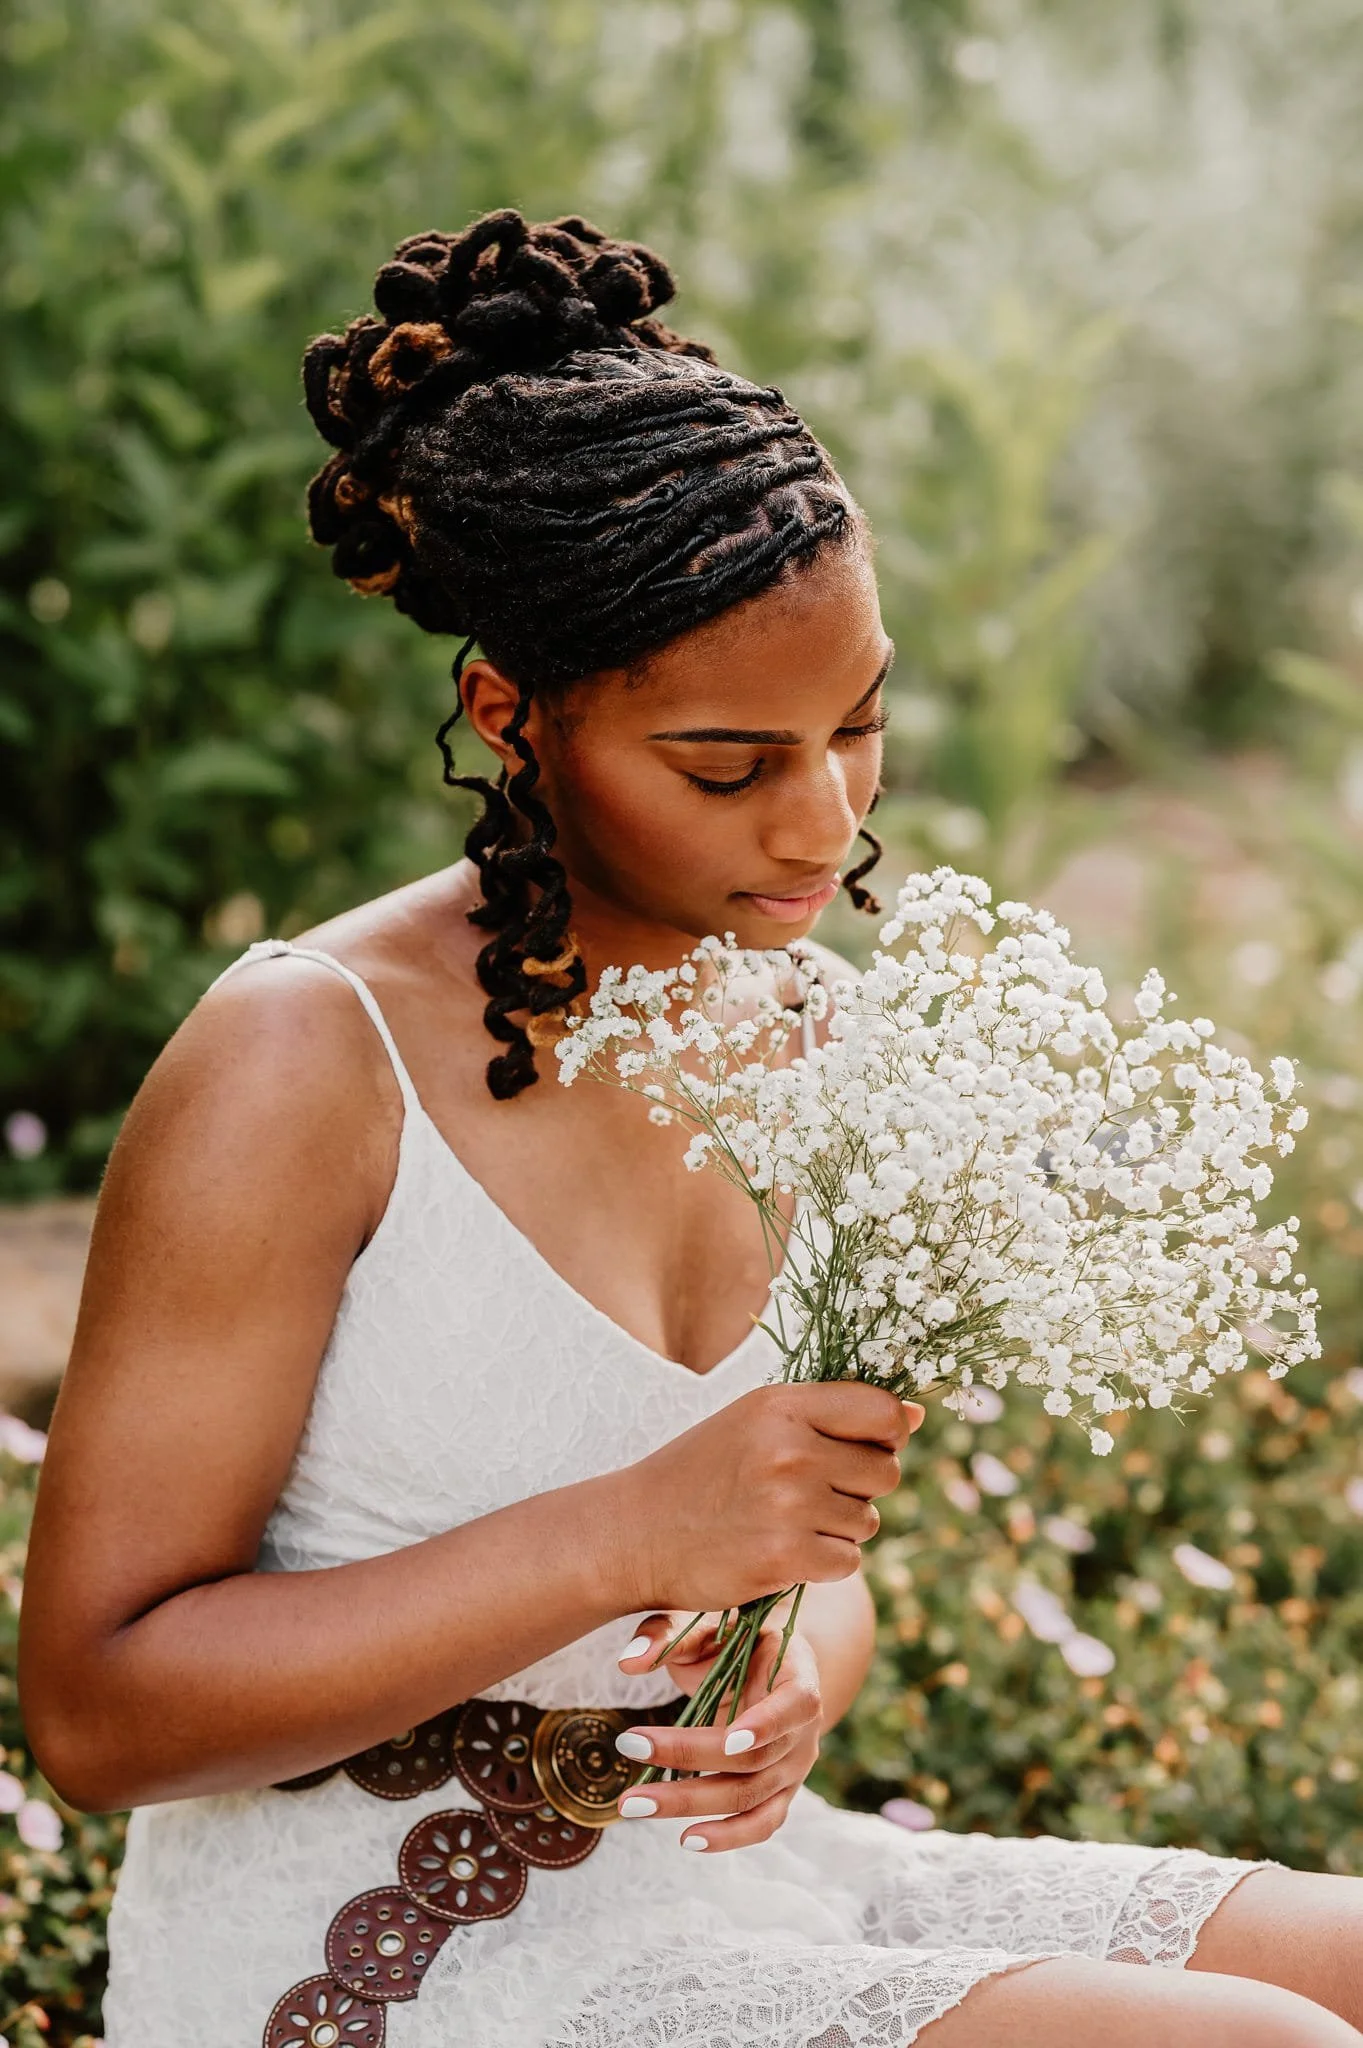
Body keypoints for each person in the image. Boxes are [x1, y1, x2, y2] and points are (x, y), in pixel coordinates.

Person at [19, 210, 1363, 2048]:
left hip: (744, 1876)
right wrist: (624, 1532)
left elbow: (805, 1569)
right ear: (512, 714)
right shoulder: (303, 1061)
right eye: (727, 767)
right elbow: (99, 1718)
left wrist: (796, 1670)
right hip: (391, 1948)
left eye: (858, 730)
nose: (819, 827)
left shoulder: (820, 1037)